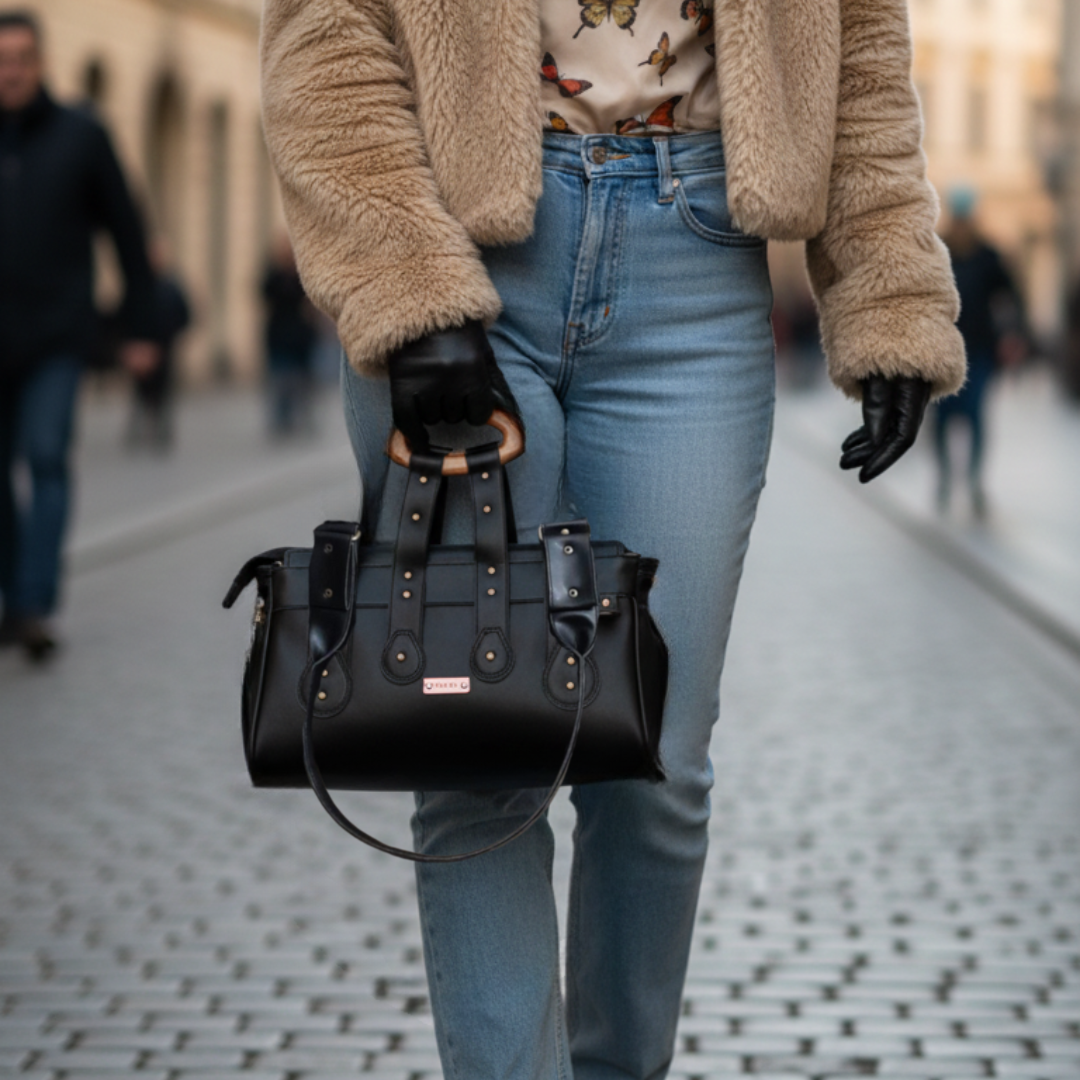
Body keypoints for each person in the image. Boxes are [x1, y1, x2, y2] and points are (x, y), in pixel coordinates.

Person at [260, 0, 966, 1075]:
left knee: (656, 765)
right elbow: (329, 29)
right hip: (461, 248)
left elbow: (858, 45)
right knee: (479, 749)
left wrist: (889, 288)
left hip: (697, 270)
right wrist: (405, 280)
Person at [0, 9, 158, 661]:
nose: (11, 72)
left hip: (58, 338)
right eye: (1, 61)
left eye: (21, 60)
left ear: (41, 64)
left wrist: (141, 327)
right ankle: (14, 595)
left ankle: (34, 605)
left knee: (45, 456)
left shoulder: (81, 136)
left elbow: (128, 233)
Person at [934, 187, 1027, 518]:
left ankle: (974, 480)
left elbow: (1013, 295)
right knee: (941, 419)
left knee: (975, 415)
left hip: (980, 351)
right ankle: (946, 476)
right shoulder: (936, 251)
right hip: (942, 353)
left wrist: (1014, 333)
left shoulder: (988, 256)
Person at [261, 233, 317, 438]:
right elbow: (264, 297)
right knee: (280, 380)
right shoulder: (273, 275)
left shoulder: (303, 276)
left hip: (300, 338)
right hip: (279, 336)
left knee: (302, 380)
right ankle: (281, 417)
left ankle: (301, 416)